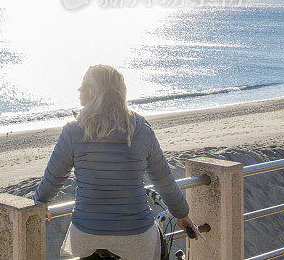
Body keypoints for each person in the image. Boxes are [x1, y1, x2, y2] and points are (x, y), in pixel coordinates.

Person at [32, 65, 198, 259]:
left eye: (84, 85)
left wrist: (39, 203)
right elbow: (164, 180)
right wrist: (182, 214)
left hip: (87, 232)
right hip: (136, 235)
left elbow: (53, 179)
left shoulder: (73, 130)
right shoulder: (141, 129)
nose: (79, 90)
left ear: (94, 91)